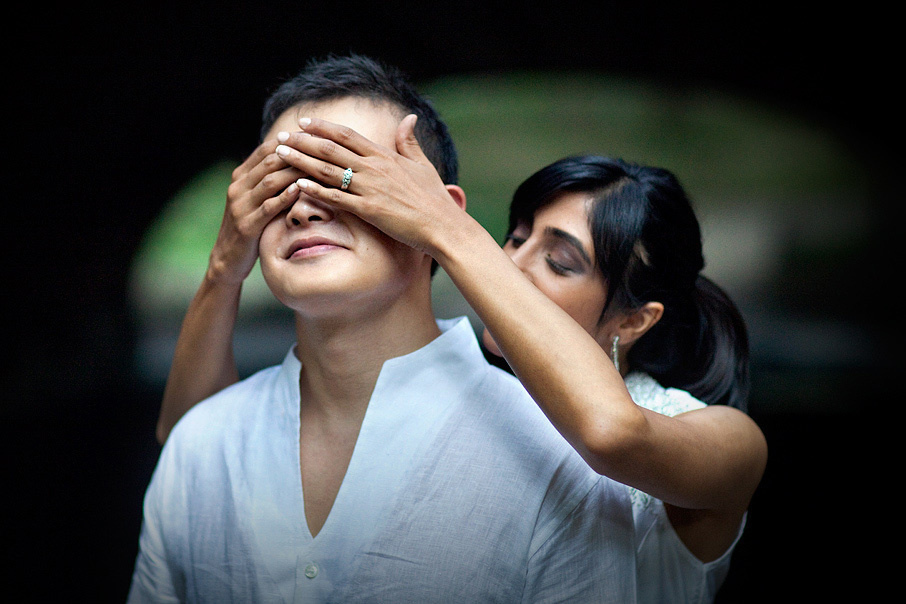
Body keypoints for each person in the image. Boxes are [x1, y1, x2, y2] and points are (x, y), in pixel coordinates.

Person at [170, 108, 767, 600]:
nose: (508, 266)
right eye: (514, 236)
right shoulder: (467, 394)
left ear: (635, 320)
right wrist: (226, 264)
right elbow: (197, 444)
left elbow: (611, 433)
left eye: (559, 262)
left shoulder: (727, 440)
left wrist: (445, 230)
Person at [127, 54, 636, 603]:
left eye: (346, 176)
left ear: (437, 212)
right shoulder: (200, 446)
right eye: (279, 185)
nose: (302, 210)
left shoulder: (554, 453)